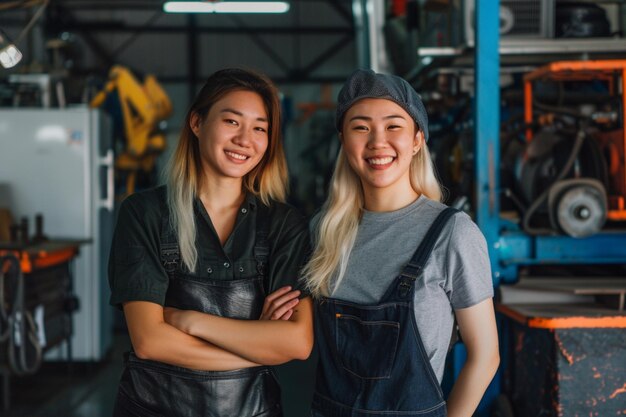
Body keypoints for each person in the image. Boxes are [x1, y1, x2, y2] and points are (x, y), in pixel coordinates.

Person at [108, 68, 313, 417]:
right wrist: (256, 347)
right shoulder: (144, 214)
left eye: (260, 128)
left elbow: (297, 342)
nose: (245, 139)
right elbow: (149, 341)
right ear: (197, 123)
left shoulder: (283, 224)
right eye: (232, 121)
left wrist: (189, 321)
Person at [302, 69, 499, 417]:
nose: (378, 141)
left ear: (417, 140)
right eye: (360, 127)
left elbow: (485, 356)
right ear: (343, 140)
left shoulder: (452, 233)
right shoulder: (324, 230)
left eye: (394, 126)